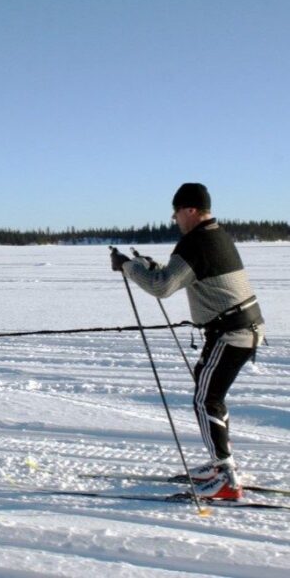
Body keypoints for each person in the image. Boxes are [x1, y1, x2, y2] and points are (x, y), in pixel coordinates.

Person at [110, 183, 264, 500]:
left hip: (231, 332)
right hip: (240, 328)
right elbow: (177, 276)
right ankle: (220, 464)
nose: (174, 218)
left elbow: (162, 287)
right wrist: (147, 266)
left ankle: (225, 477)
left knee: (206, 399)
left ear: (190, 210)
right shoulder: (214, 235)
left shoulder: (195, 243)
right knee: (210, 393)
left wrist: (128, 266)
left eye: (176, 212)